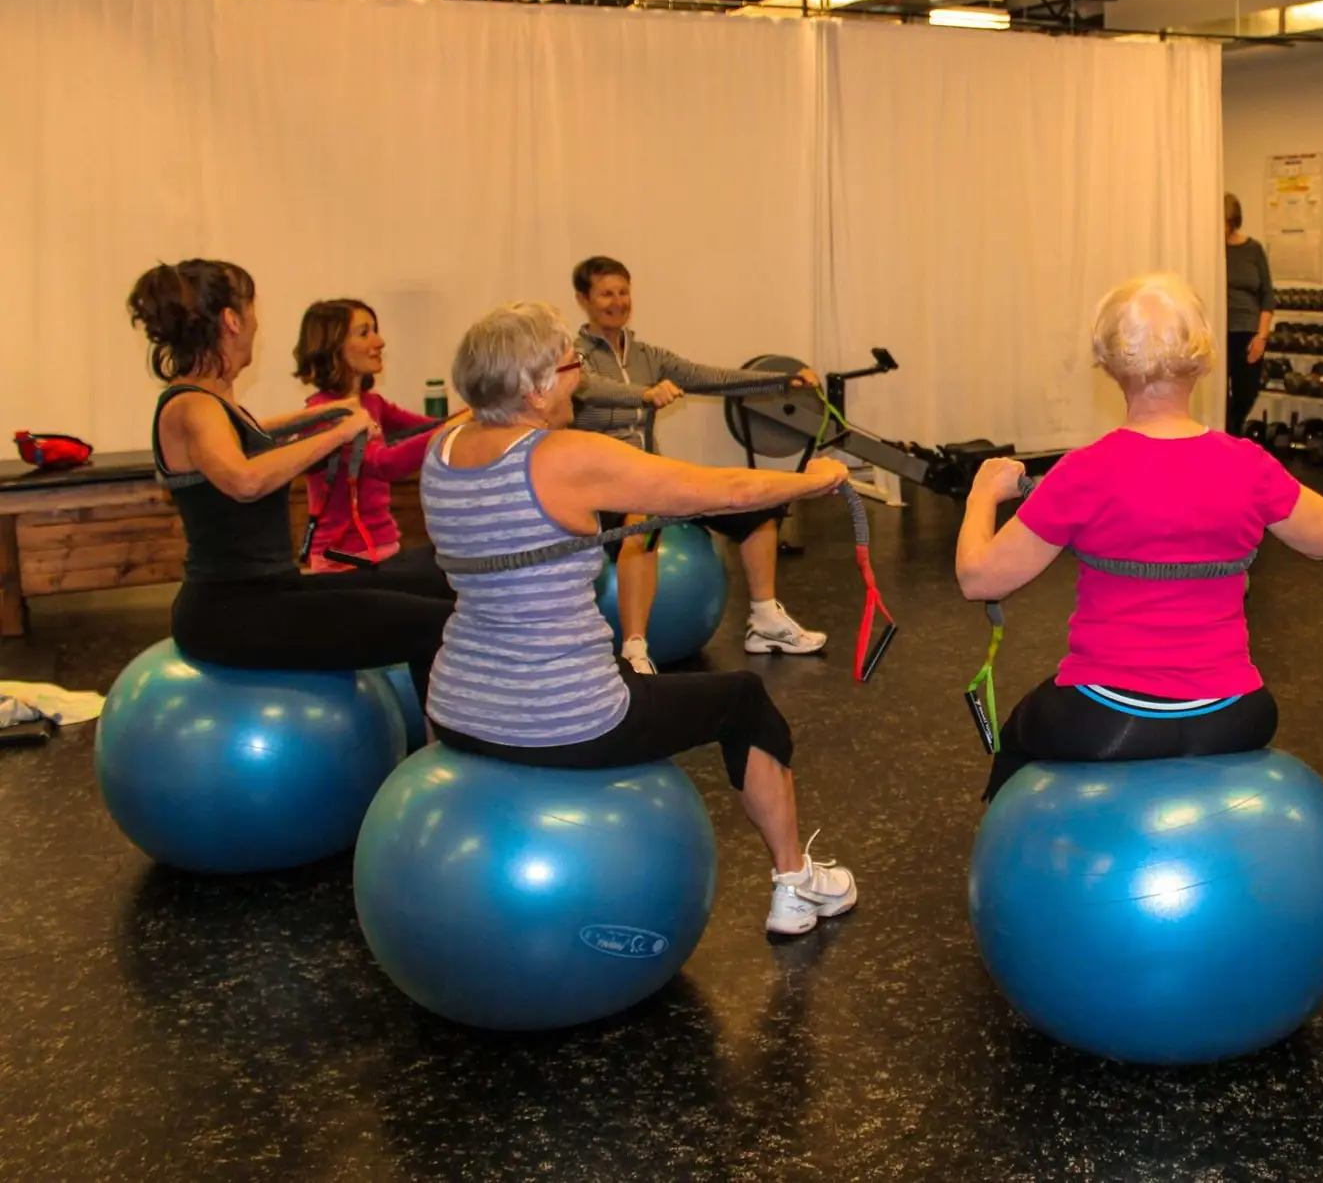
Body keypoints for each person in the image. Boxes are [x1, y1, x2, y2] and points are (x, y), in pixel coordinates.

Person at [420, 301, 858, 937]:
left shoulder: (443, 446)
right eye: (572, 367)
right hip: (567, 718)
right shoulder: (564, 456)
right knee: (743, 698)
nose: (582, 379)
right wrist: (810, 480)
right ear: (536, 387)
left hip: (458, 709)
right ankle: (796, 885)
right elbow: (726, 492)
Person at [955, 273, 1323, 801]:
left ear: (1110, 363)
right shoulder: (1248, 465)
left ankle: (1014, 869)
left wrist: (982, 495)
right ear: (1203, 357)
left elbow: (979, 580)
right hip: (1235, 713)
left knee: (1019, 736)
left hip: (1106, 715)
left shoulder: (1085, 471)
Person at [128, 260, 455, 704]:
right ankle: (449, 753)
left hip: (265, 593)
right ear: (231, 320)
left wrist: (326, 414)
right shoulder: (194, 406)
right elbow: (244, 480)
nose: (257, 326)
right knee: (435, 625)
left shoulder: (209, 401)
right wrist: (339, 433)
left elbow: (256, 437)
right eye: (252, 310)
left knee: (434, 586)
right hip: (232, 612)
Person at [569, 256, 825, 672]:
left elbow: (710, 377)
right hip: (603, 481)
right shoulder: (573, 357)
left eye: (623, 291)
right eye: (605, 294)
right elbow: (589, 389)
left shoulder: (647, 355)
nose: (617, 302)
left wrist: (781, 379)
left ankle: (764, 620)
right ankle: (635, 649)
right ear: (583, 300)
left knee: (757, 507)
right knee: (644, 518)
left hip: (650, 472)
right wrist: (644, 395)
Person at [292, 298, 471, 574]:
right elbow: (385, 464)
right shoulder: (323, 415)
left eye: (374, 330)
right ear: (333, 345)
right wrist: (466, 420)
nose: (379, 341)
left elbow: (431, 427)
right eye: (364, 333)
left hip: (383, 552)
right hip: (345, 563)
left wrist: (477, 412)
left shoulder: (372, 403)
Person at [1223, 193, 1276, 437]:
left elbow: (1267, 295)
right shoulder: (1210, 253)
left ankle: (1231, 435)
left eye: (1224, 221)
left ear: (1233, 220)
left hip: (1248, 332)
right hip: (1218, 334)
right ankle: (1227, 443)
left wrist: (1261, 336)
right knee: (1217, 398)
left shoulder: (1253, 250)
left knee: (1246, 393)